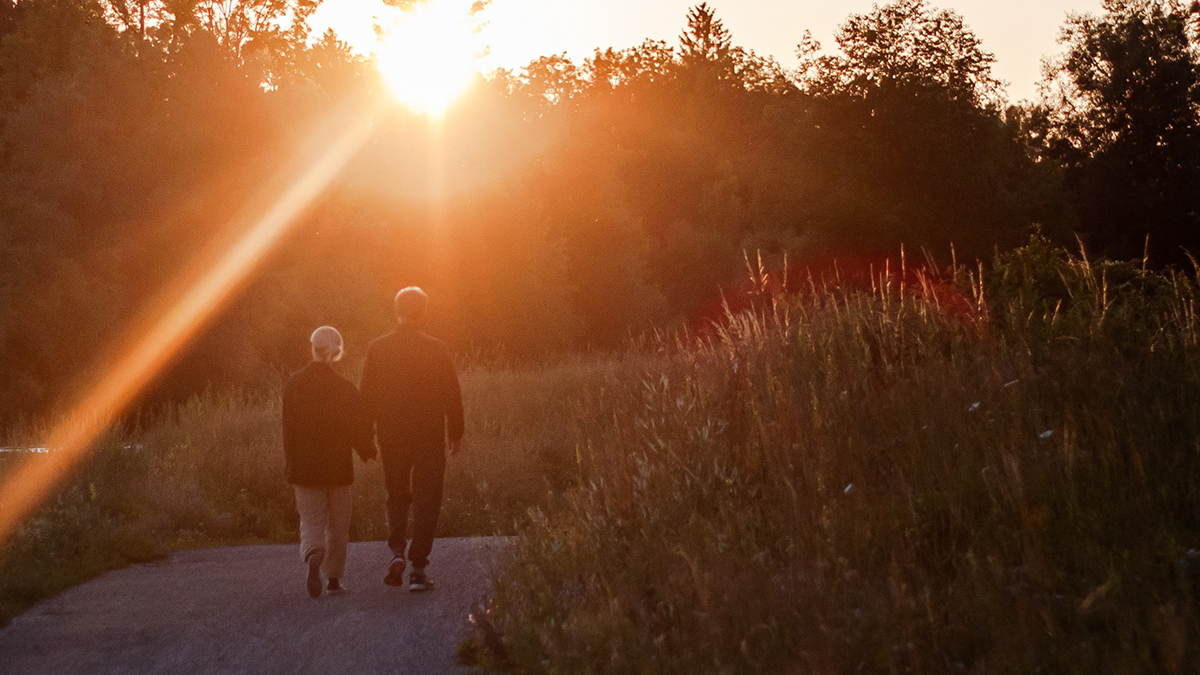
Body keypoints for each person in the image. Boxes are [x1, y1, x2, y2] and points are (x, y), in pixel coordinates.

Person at [361, 287, 463, 592]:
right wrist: (455, 433)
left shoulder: (377, 349)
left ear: (396, 310)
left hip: (392, 436)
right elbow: (452, 394)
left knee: (396, 494)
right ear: (424, 312)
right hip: (428, 436)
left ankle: (396, 551)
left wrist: (365, 439)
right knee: (426, 498)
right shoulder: (436, 349)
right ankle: (418, 567)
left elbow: (367, 397)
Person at [282, 326, 376, 599]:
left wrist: (291, 464)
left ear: (312, 347)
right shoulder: (345, 388)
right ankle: (333, 579)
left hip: (305, 468)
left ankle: (313, 552)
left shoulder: (294, 384)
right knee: (338, 525)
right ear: (337, 352)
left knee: (311, 521)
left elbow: (288, 429)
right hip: (338, 468)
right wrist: (367, 450)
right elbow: (357, 427)